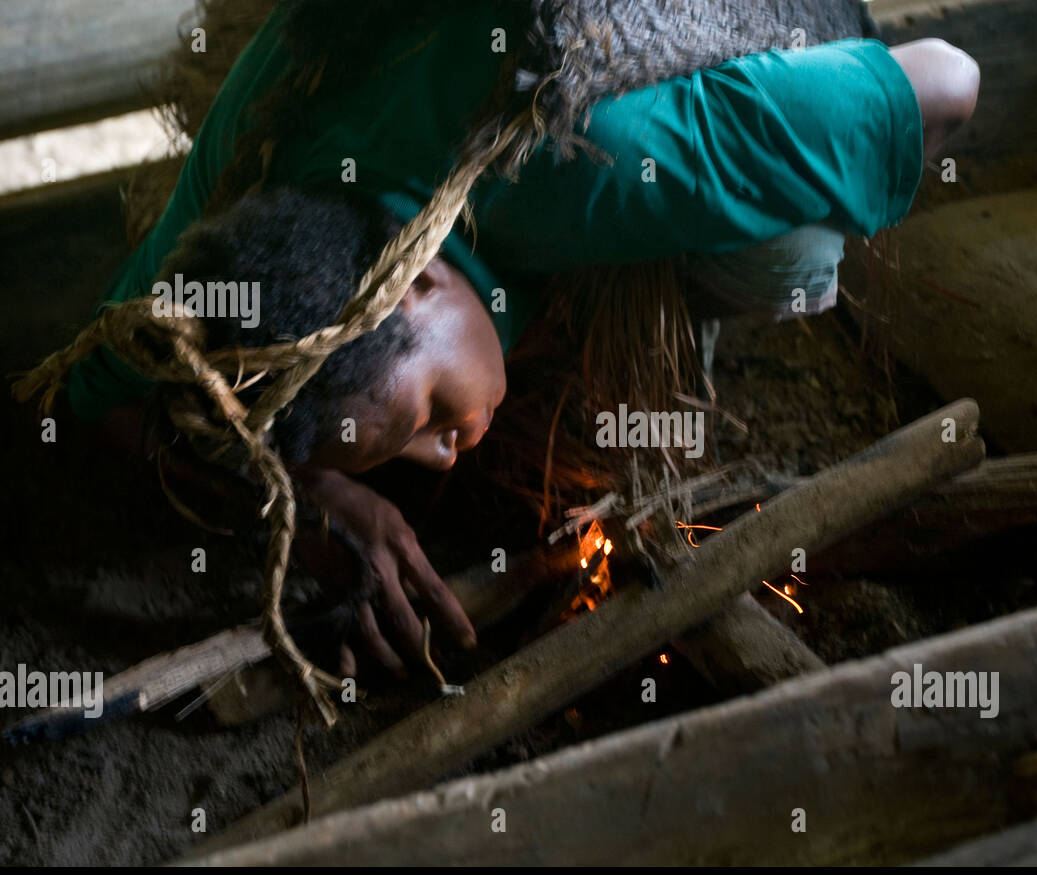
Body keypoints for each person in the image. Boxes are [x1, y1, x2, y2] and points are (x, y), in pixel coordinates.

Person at [67, 1, 979, 678]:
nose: (443, 455)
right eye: (410, 446)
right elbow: (94, 390)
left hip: (633, 57)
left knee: (790, 247)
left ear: (419, 281)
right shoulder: (262, 143)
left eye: (424, 416)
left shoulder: (594, 164)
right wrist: (313, 494)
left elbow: (947, 77)